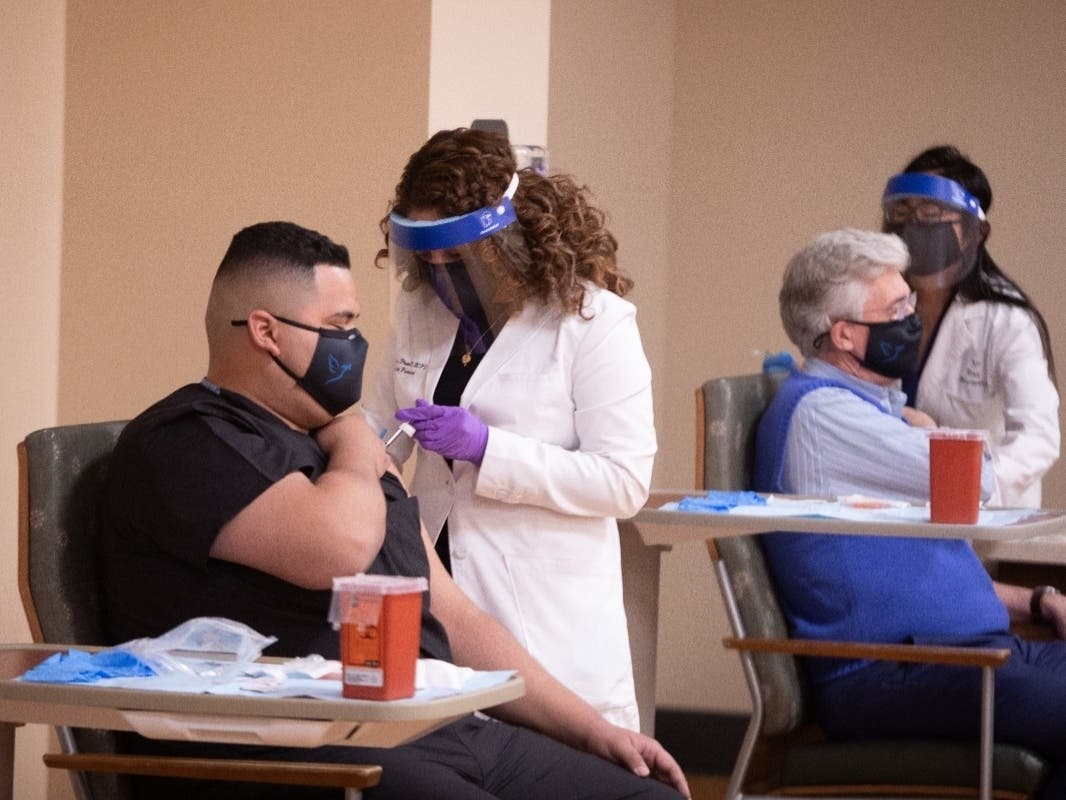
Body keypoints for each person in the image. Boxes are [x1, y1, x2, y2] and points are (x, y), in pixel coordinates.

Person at [99, 221, 688, 800]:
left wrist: (597, 731)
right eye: (339, 326)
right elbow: (339, 547)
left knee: (647, 795)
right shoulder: (188, 442)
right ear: (265, 331)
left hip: (433, 728)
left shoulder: (326, 450)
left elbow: (457, 620)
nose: (354, 345)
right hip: (301, 752)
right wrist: (356, 437)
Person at [753, 227, 1066, 798]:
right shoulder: (824, 416)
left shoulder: (877, 410)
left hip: (969, 652)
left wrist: (1040, 599)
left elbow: (914, 569)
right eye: (897, 308)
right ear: (844, 335)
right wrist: (932, 430)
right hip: (893, 672)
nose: (914, 319)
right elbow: (979, 480)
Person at [362, 128, 655, 730]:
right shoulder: (419, 315)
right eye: (430, 261)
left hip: (544, 612)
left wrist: (489, 449)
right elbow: (373, 424)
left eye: (459, 258)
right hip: (437, 589)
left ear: (508, 240)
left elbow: (625, 482)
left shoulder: (592, 322)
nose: (444, 276)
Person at [880, 145, 1059, 507]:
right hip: (896, 507)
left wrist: (973, 485)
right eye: (904, 211)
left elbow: (1038, 437)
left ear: (975, 232)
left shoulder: (1006, 321)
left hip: (982, 519)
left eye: (931, 212)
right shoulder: (881, 307)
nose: (915, 225)